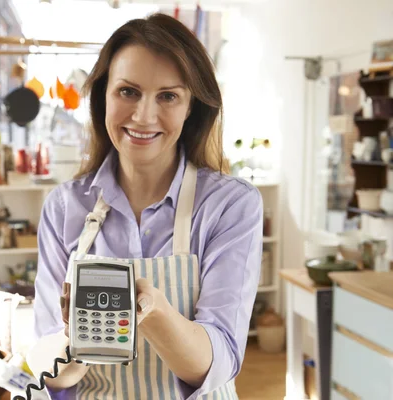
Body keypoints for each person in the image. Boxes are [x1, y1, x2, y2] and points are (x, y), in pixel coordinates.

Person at [32, 12, 263, 400]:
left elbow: (220, 359)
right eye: (128, 91)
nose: (143, 115)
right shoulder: (64, 207)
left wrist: (152, 311)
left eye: (168, 96)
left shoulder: (231, 205)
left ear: (191, 107)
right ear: (103, 95)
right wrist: (79, 340)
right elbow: (44, 360)